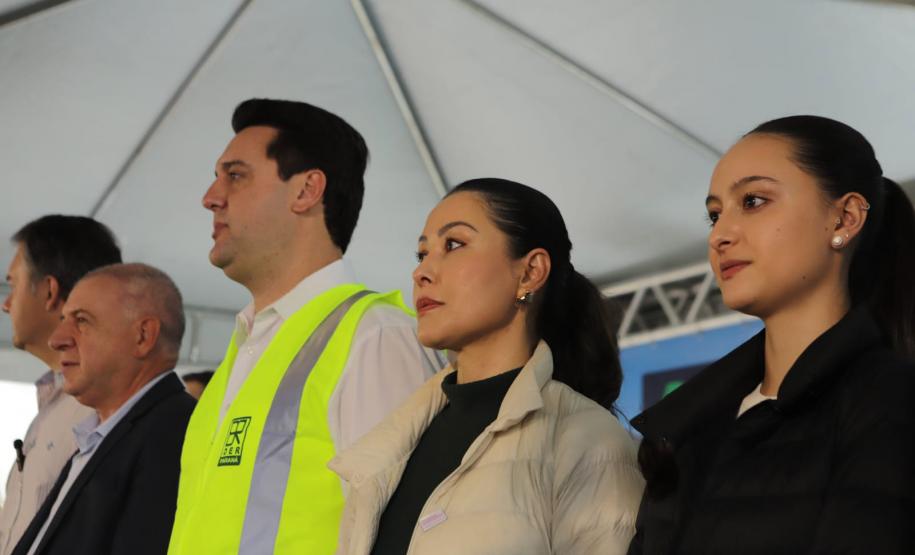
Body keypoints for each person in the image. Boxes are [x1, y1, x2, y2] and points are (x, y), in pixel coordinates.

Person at [167, 98, 445, 555]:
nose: (210, 197)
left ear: (306, 190)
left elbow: (407, 537)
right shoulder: (247, 348)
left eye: (235, 175)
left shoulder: (373, 337)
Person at [628, 116, 915, 554]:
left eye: (754, 200)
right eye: (714, 215)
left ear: (845, 217)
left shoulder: (887, 399)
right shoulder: (690, 428)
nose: (721, 235)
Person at [330, 178, 645, 554]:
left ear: (529, 273)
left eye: (454, 244)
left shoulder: (587, 438)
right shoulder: (391, 445)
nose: (422, 272)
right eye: (421, 254)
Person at [11, 263, 196, 555]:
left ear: (143, 336)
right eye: (63, 320)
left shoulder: (173, 433)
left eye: (81, 321)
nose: (57, 339)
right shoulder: (100, 435)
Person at [0, 216, 121, 555]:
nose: (6, 304)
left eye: (13, 285)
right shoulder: (56, 405)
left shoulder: (104, 408)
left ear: (50, 291)